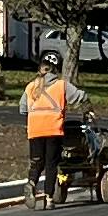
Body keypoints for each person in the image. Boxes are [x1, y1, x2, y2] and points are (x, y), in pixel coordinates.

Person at [25, 53, 84, 201]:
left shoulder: (30, 87)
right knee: (51, 163)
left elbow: (22, 109)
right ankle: (48, 197)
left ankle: (31, 183)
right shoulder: (61, 85)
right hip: (53, 129)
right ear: (55, 71)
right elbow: (80, 96)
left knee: (37, 161)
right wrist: (88, 108)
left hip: (34, 130)